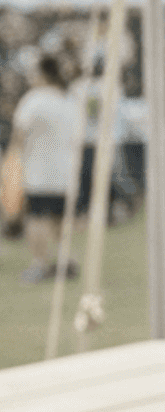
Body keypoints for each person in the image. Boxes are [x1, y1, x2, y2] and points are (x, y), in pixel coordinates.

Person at [8, 55, 78, 282]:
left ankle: (39, 263)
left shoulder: (34, 100)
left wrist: (10, 164)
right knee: (60, 219)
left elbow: (19, 135)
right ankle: (66, 260)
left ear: (42, 74)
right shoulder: (67, 99)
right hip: (65, 172)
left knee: (37, 218)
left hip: (39, 172)